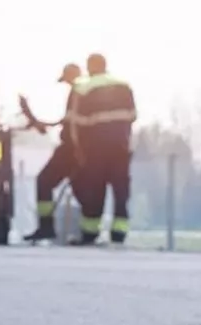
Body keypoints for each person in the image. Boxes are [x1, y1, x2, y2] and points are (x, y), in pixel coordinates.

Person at [23, 63, 106, 244]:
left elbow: (75, 125)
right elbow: (72, 120)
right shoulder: (85, 92)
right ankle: (89, 234)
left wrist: (77, 150)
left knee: (44, 182)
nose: (66, 84)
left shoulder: (78, 90)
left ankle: (47, 228)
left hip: (72, 149)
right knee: (81, 190)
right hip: (82, 149)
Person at [67, 53, 138, 245]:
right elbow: (132, 116)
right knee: (120, 190)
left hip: (95, 148)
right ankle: (119, 233)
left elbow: (76, 124)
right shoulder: (124, 85)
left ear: (90, 67)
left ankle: (90, 233)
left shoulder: (83, 88)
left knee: (94, 190)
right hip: (121, 147)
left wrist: (79, 150)